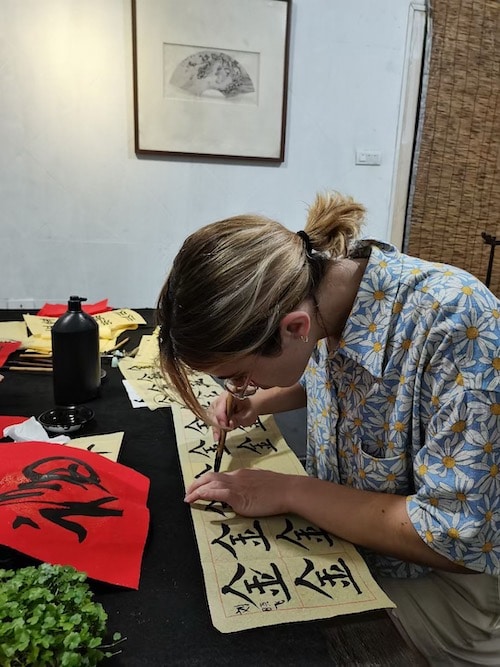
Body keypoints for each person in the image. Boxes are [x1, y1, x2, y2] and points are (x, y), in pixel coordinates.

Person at [156, 191, 500, 666]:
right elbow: (340, 378)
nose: (237, 386)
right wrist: (260, 397)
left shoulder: (457, 322)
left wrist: (291, 492)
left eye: (239, 373)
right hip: (350, 542)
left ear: (292, 328)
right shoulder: (321, 293)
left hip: (447, 592)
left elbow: (454, 537)